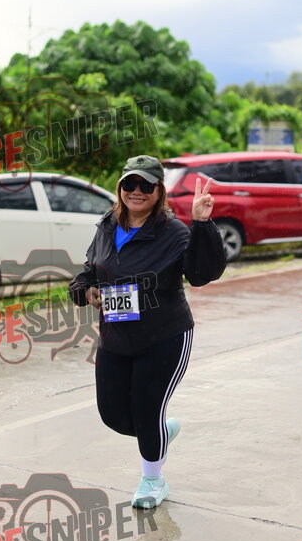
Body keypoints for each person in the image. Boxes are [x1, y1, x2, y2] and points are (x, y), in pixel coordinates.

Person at [69, 155, 226, 508]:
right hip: (116, 336)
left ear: (159, 191)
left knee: (147, 408)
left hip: (164, 336)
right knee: (112, 415)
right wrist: (85, 289)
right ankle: (160, 432)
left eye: (146, 185)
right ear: (120, 188)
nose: (136, 191)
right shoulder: (107, 225)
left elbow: (201, 274)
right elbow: (90, 271)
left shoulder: (174, 232)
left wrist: (202, 225)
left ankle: (153, 480)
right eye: (129, 184)